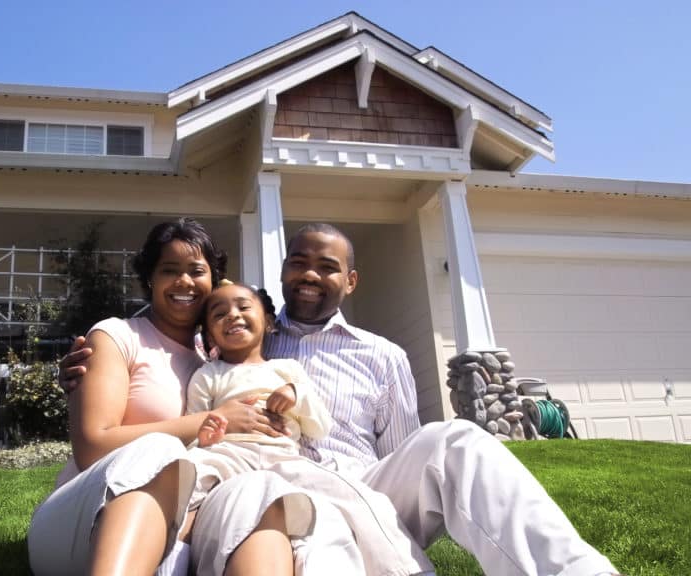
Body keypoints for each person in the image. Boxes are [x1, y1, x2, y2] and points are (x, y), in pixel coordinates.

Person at [61, 222, 622, 576]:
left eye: (327, 267)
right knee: (298, 518)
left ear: (350, 281)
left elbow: (403, 455)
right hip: (265, 489)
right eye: (298, 263)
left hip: (366, 488)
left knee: (455, 439)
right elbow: (167, 368)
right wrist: (85, 371)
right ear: (279, 276)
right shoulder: (243, 333)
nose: (310, 275)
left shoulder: (384, 355)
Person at [27, 218, 324, 576]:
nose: (184, 281)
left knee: (259, 493)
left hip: (179, 522)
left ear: (213, 281)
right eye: (170, 270)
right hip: (87, 522)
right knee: (159, 452)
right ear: (150, 278)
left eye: (197, 271)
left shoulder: (213, 365)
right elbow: (92, 447)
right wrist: (212, 421)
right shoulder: (117, 336)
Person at [184, 281, 434, 576]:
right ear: (209, 334)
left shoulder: (287, 370)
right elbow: (196, 425)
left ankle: (405, 569)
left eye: (243, 306)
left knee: (356, 496)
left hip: (282, 458)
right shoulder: (207, 375)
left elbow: (319, 426)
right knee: (183, 481)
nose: (232, 315)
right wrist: (209, 433)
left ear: (267, 322)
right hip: (229, 454)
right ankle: (166, 554)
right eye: (219, 314)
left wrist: (296, 395)